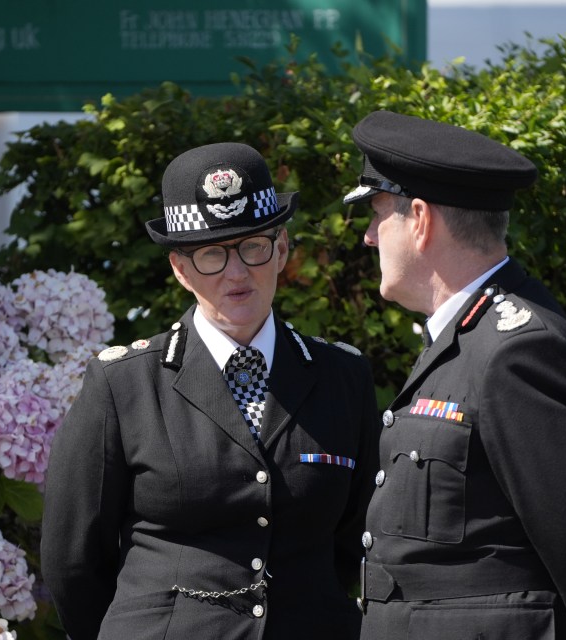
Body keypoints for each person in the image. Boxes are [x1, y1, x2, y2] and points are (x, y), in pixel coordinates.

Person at [41, 142, 380, 639]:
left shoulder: (342, 377)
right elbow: (72, 560)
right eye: (211, 254)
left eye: (253, 246)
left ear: (281, 249)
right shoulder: (123, 383)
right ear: (180, 269)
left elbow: (355, 540)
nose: (236, 271)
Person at [344, 110, 566, 639]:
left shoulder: (518, 353)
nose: (370, 238)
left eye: (377, 215)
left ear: (420, 220)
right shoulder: (466, 338)